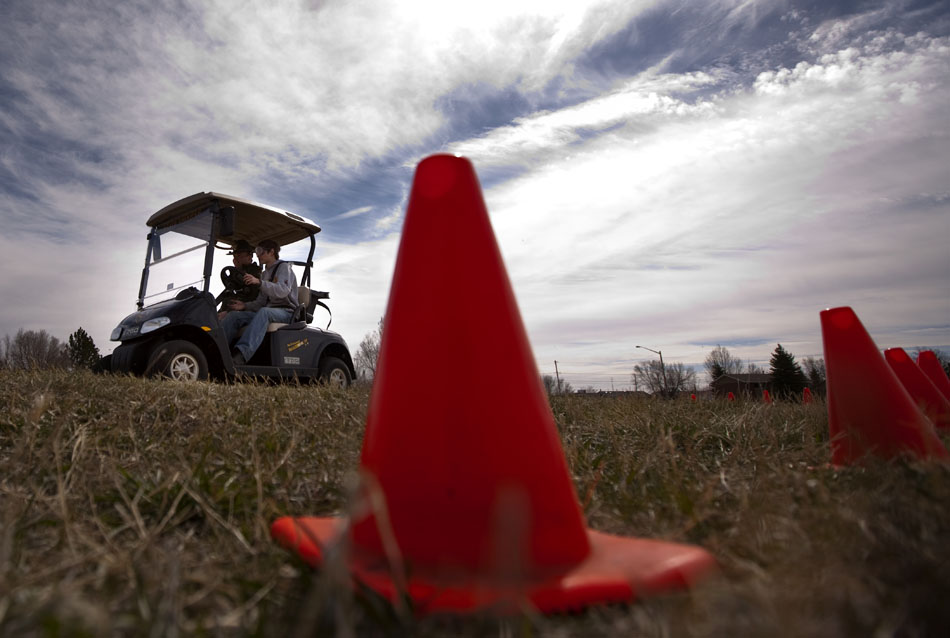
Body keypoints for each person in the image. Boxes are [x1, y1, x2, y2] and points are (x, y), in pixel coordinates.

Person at [219, 239, 298, 365]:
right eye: (256, 251)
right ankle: (218, 351)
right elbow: (261, 302)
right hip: (270, 311)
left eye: (260, 251)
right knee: (234, 316)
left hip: (287, 312)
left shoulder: (284, 267)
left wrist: (260, 283)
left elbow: (283, 291)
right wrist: (244, 306)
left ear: (271, 252)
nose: (257, 255)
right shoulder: (266, 273)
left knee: (264, 312)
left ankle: (240, 355)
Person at [217, 240, 261, 312]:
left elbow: (251, 293)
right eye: (235, 256)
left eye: (239, 255)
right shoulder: (235, 272)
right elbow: (231, 287)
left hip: (249, 304)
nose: (236, 258)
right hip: (237, 302)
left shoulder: (254, 272)